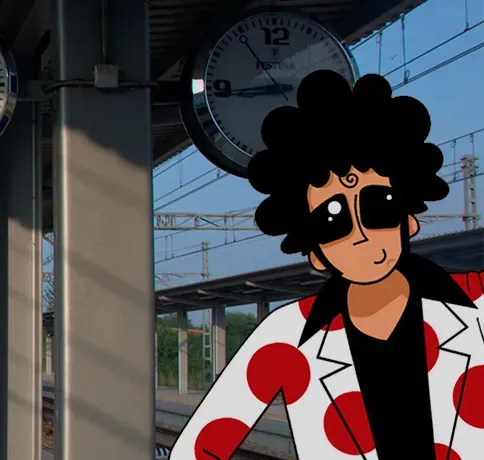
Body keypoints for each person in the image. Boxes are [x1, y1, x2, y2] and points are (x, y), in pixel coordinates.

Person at [168, 69, 484, 459]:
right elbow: (199, 447)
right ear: (315, 251)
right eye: (333, 221)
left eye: (378, 206)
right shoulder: (286, 339)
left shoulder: (479, 305)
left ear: (409, 219)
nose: (361, 232)